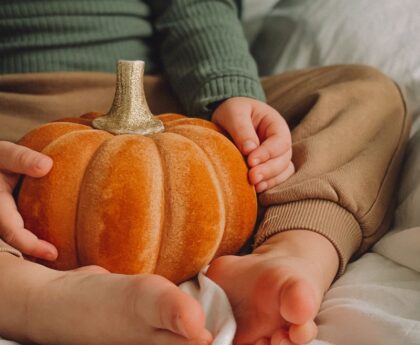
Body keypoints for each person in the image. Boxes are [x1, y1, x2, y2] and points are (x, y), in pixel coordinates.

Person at [0, 1, 409, 344]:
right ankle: (38, 298)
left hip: (166, 100)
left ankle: (292, 251)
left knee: (363, 92)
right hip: (12, 116)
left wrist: (229, 90)